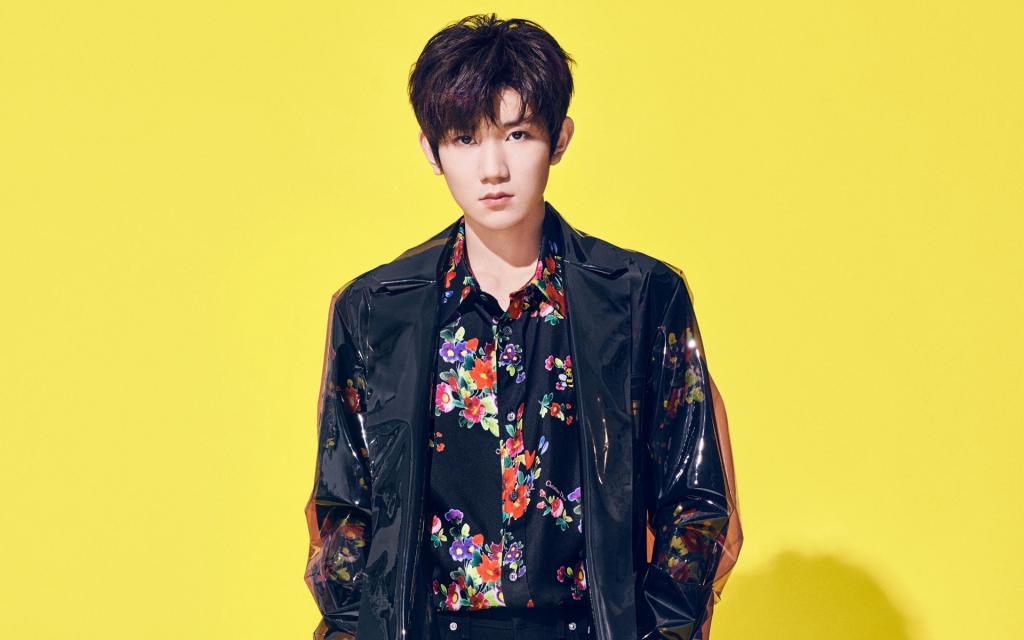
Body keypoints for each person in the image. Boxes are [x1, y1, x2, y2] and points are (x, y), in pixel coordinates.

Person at [303, 13, 743, 640]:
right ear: (430, 150)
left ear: (559, 139)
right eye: (464, 138)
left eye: (517, 134)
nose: (493, 168)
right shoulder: (376, 310)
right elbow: (345, 512)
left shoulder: (640, 297)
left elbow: (696, 504)